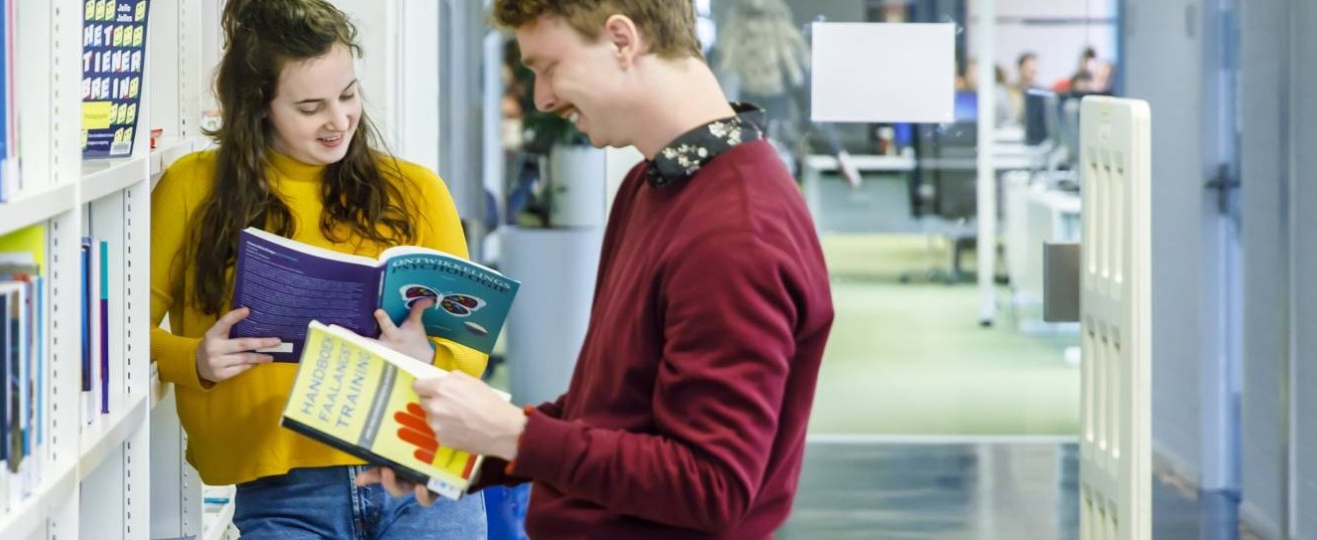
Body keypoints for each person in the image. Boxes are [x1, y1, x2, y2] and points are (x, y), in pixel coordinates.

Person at [359, 0, 835, 538]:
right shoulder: (652, 185)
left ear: (621, 40)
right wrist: (475, 446)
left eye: (549, 67)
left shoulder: (737, 231)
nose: (541, 98)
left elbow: (711, 486)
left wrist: (514, 435)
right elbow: (609, 414)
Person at [147, 0, 489, 537]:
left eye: (348, 95)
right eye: (310, 107)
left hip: (423, 471)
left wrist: (427, 354)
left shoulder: (416, 190)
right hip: (283, 490)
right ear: (258, 107)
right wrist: (194, 359)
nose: (339, 120)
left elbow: (469, 347)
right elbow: (117, 337)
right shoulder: (193, 188)